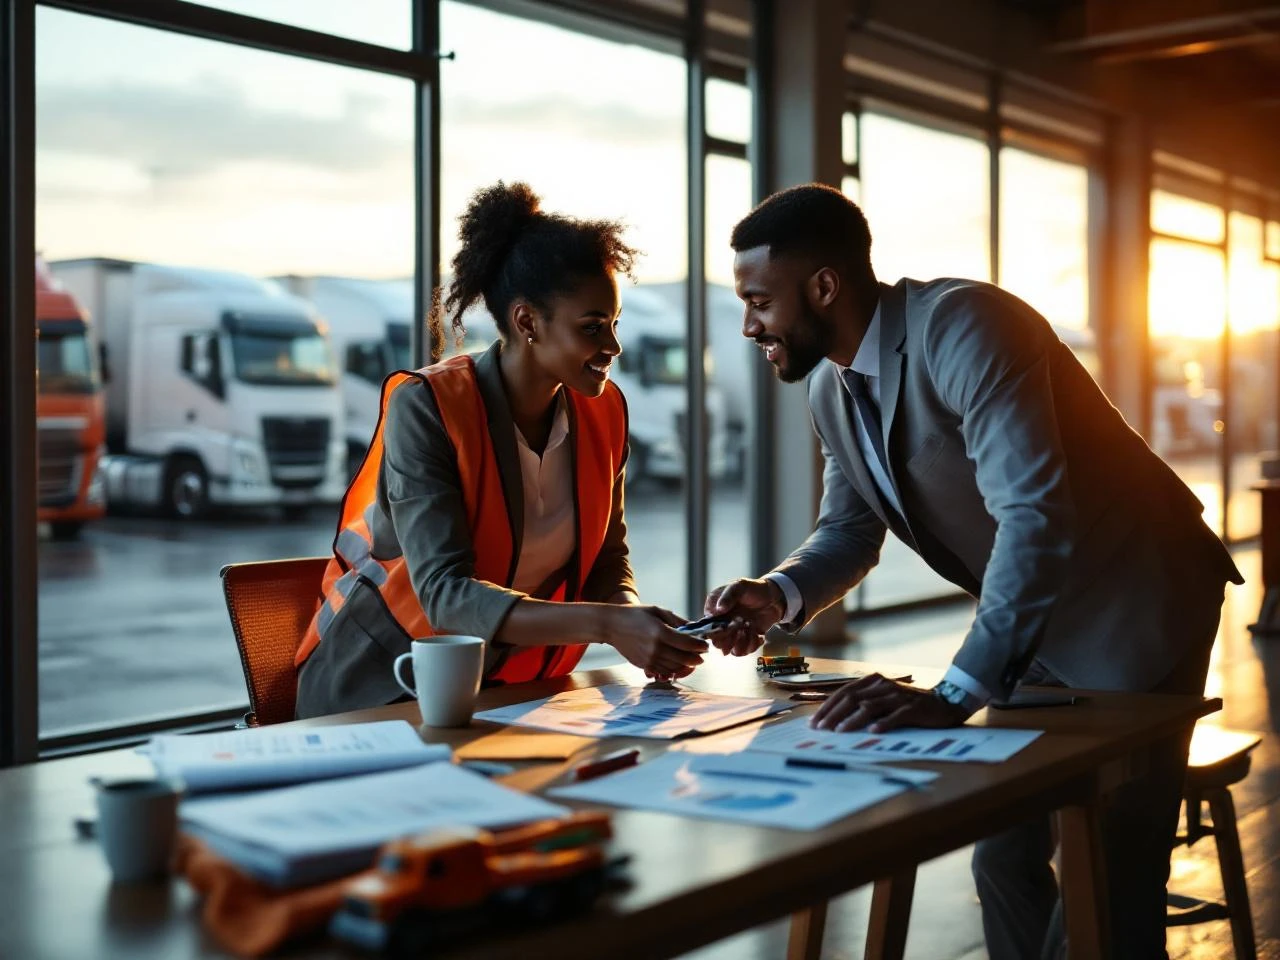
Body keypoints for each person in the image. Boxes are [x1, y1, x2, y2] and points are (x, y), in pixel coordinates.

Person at [704, 183, 1242, 959]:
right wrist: (778, 591)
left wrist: (955, 694)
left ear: (823, 285)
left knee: (1116, 870)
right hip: (1035, 622)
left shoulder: (965, 324)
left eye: (758, 300)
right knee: (1004, 853)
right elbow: (849, 530)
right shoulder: (832, 387)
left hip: (1139, 599)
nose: (750, 324)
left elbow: (1034, 514)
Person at [295, 181, 707, 719]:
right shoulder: (428, 407)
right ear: (527, 322)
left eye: (614, 324)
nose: (613, 346)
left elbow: (608, 559)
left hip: (511, 692)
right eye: (592, 327)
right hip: (380, 691)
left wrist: (635, 619)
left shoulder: (604, 410)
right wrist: (608, 625)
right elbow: (444, 594)